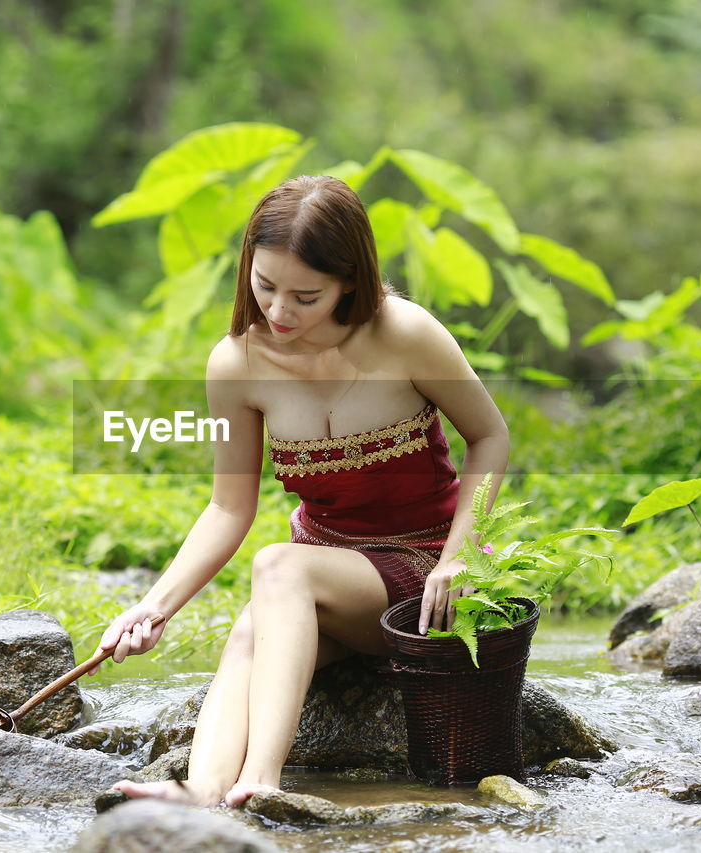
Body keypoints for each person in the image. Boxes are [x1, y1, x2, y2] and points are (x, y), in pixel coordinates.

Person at [87, 174, 510, 807]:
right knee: (252, 631)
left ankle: (262, 779)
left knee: (279, 566)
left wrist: (460, 557)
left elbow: (490, 436)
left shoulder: (405, 334)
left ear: (350, 281)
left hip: (421, 571)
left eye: (306, 296)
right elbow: (229, 505)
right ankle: (201, 788)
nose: (280, 313)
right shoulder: (236, 365)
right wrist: (153, 606)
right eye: (265, 287)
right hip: (320, 581)